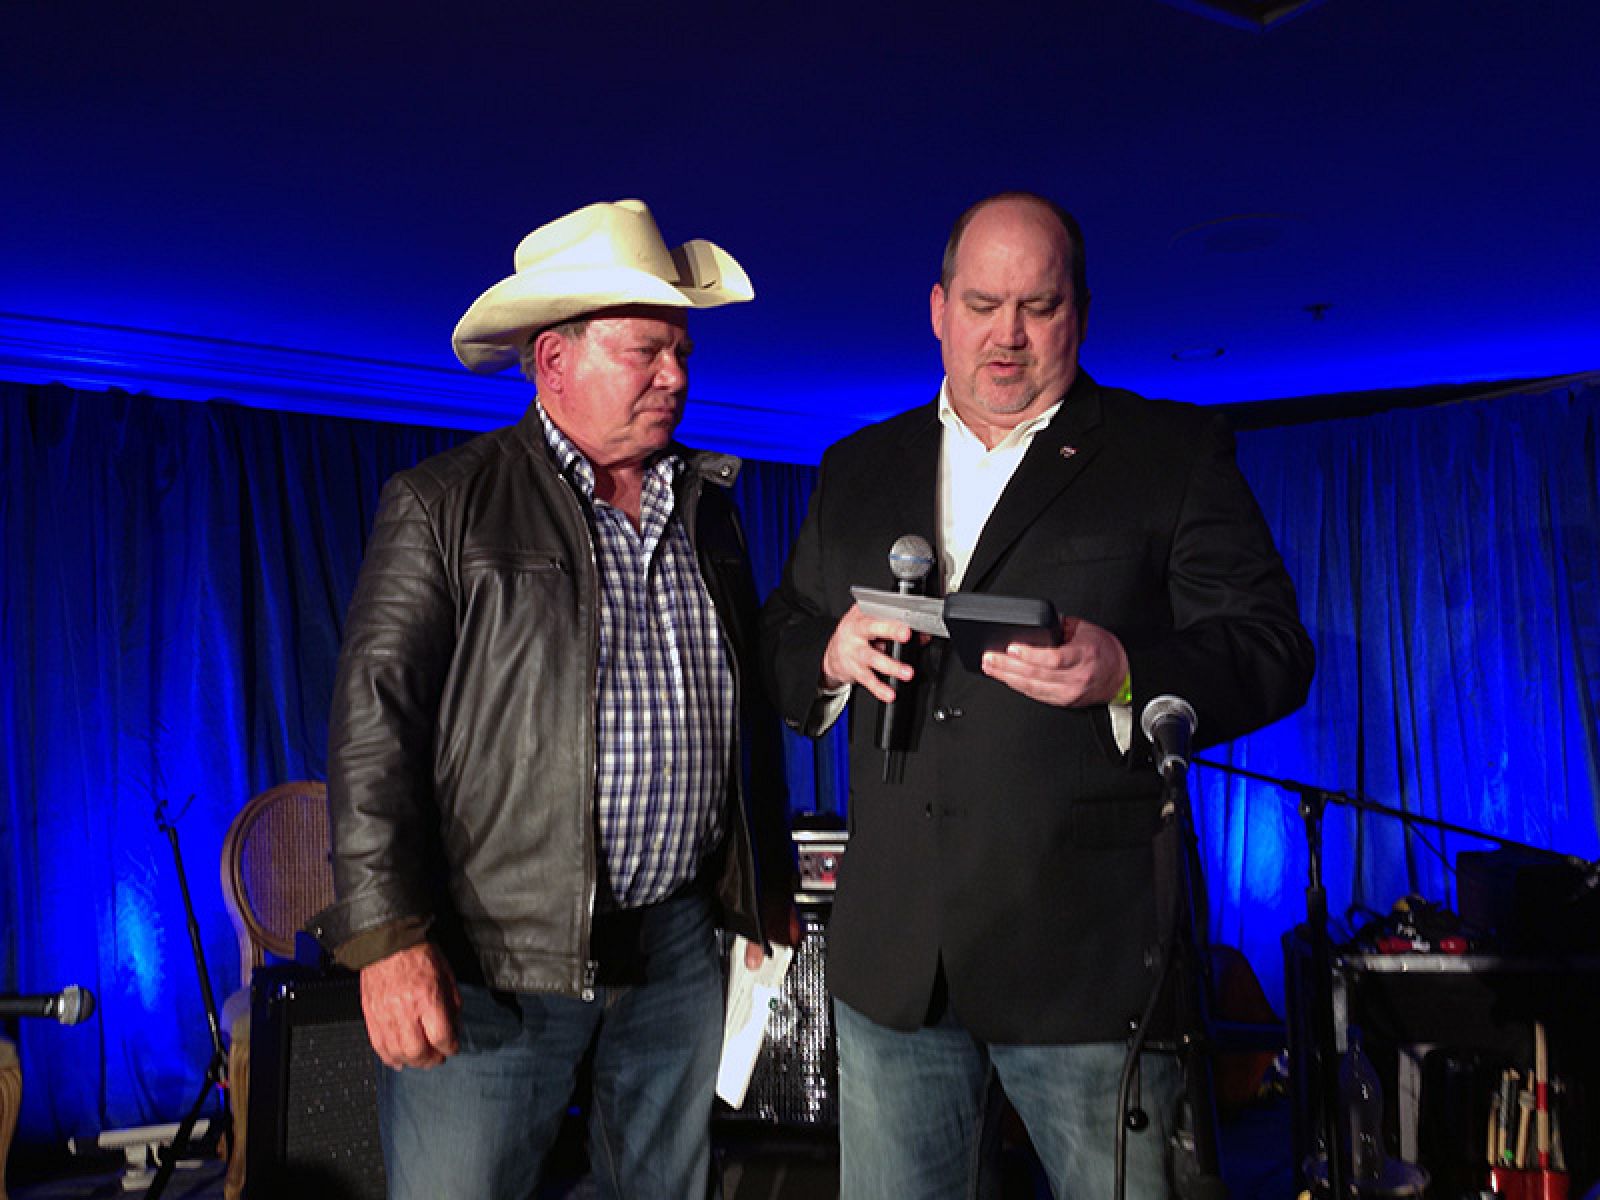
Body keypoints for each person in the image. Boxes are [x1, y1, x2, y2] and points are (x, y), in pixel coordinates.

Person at [761, 191, 1315, 1197]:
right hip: (897, 973)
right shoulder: (856, 466)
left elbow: (1271, 648)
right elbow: (780, 630)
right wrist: (830, 652)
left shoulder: (1170, 455)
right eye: (982, 305)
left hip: (1088, 972)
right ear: (936, 308)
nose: (1007, 337)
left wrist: (1127, 670)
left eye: (1038, 306)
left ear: (1081, 313)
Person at [310, 199, 794, 1200]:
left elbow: (744, 730)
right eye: (644, 350)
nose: (675, 375)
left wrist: (761, 886)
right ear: (553, 362)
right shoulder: (445, 504)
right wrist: (389, 940)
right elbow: (374, 728)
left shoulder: (712, 514)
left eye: (681, 351)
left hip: (675, 946)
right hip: (494, 958)